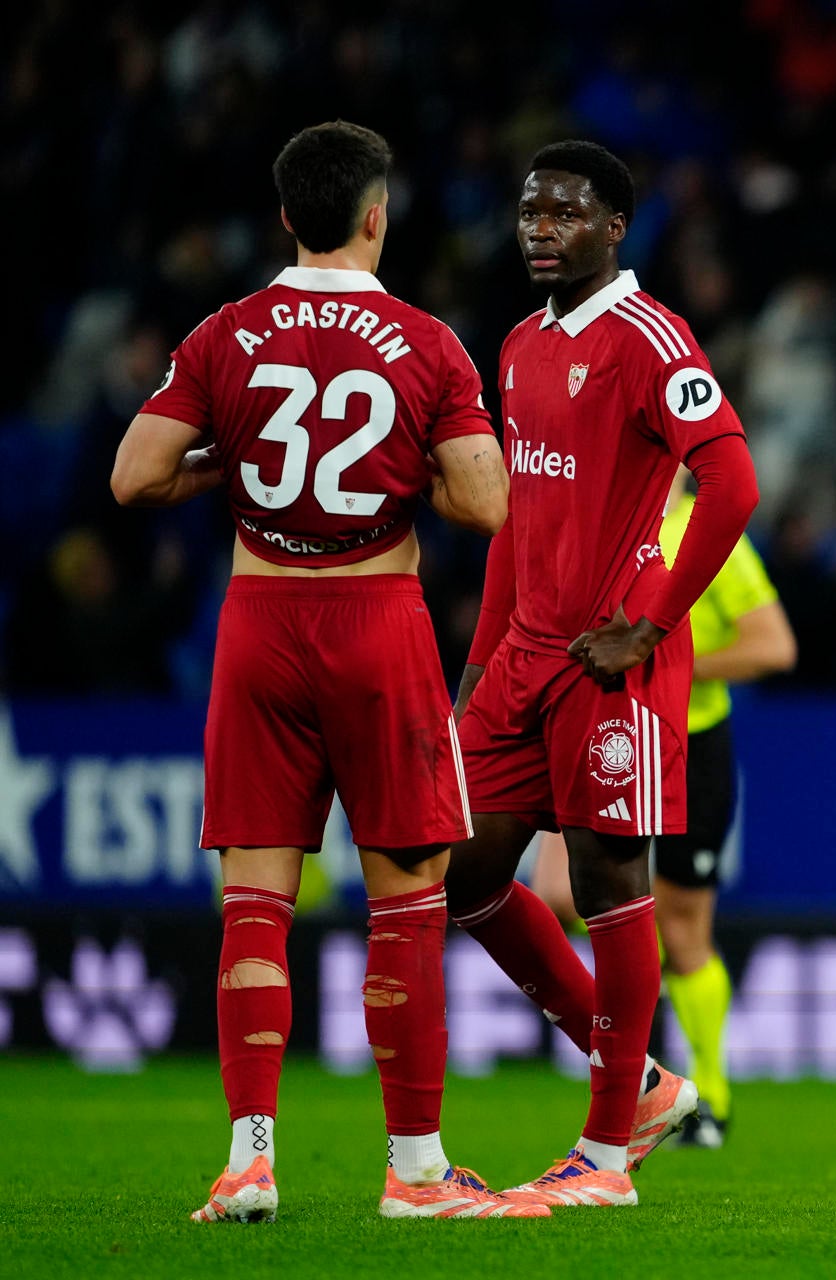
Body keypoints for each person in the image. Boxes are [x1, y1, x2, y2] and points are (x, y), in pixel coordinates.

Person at [110, 120, 538, 1221]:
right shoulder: (426, 342)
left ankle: (249, 1158)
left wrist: (224, 466)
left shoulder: (227, 331)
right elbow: (488, 504)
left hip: (260, 618)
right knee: (406, 897)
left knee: (254, 900)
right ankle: (417, 1171)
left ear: (286, 217)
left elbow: (134, 477)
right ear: (376, 215)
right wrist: (416, 481)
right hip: (376, 622)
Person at [445, 140, 760, 1209]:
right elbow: (510, 522)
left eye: (566, 211)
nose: (541, 226)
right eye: (530, 210)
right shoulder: (521, 345)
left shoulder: (649, 336)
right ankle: (646, 1080)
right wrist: (478, 665)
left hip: (609, 660)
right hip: (523, 657)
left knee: (609, 885)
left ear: (614, 227)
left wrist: (652, 622)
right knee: (460, 873)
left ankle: (608, 1156)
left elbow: (733, 480)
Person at [531, 471, 797, 1148]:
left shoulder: (710, 542)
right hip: (612, 737)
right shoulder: (595, 527)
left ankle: (709, 1096)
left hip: (691, 744)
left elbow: (774, 646)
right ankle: (642, 1083)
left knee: (681, 931)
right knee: (581, 900)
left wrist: (664, 659)